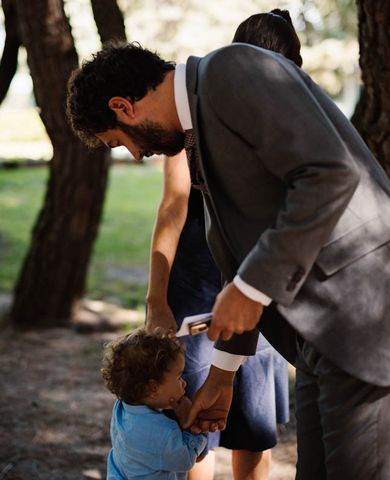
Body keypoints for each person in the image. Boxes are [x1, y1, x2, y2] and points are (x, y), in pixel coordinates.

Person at [66, 38, 390, 479]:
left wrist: (250, 287)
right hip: (315, 335)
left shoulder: (232, 69)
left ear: (124, 106)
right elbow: (239, 247)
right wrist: (221, 378)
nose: (137, 154)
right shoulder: (195, 130)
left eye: (119, 142)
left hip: (370, 318)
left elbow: (330, 174)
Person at [146, 10, 299, 479]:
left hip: (257, 285)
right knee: (197, 427)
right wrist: (157, 298)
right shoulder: (194, 120)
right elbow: (174, 205)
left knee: (252, 427)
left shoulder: (285, 123)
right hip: (196, 285)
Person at [101, 327, 207, 479]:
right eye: (178, 377)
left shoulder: (121, 407)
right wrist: (191, 427)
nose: (184, 383)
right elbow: (185, 461)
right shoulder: (162, 432)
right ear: (153, 388)